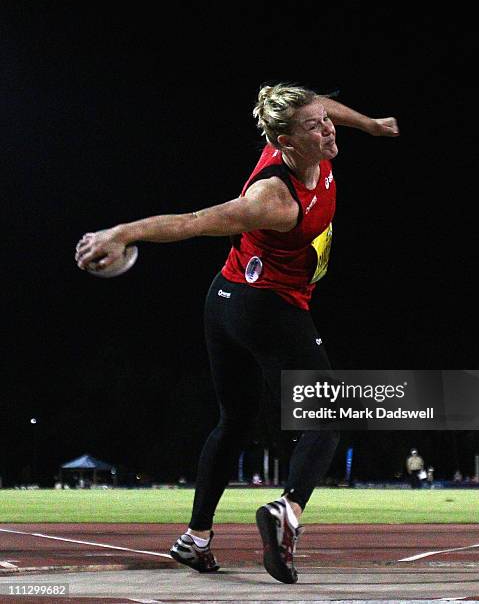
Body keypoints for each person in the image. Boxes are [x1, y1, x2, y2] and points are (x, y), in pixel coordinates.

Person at [75, 83, 399, 583]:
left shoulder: (308, 138)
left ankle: (195, 540)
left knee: (234, 422)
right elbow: (195, 222)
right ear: (285, 142)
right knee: (327, 419)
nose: (328, 128)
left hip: (225, 300)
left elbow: (324, 108)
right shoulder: (272, 199)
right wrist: (123, 233)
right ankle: (287, 512)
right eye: (315, 126)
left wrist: (369, 124)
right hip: (267, 309)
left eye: (325, 120)